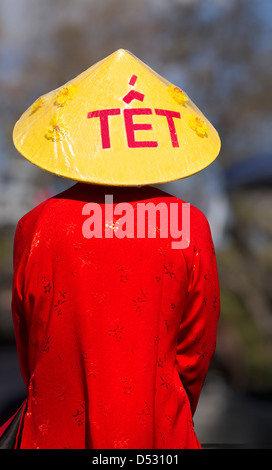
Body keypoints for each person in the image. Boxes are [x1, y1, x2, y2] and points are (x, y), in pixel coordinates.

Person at [2, 49, 221, 449]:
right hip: (158, 433)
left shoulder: (36, 226)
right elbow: (195, 352)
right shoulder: (189, 225)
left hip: (52, 433)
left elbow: (31, 343)